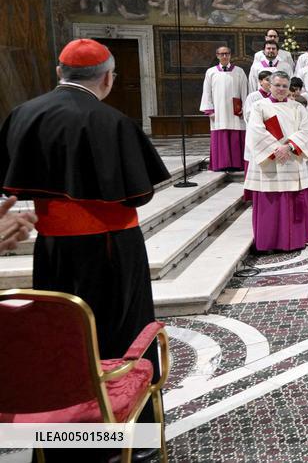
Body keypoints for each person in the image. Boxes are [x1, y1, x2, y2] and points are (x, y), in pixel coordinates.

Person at [0, 39, 172, 455]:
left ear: (60, 72)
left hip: (53, 245)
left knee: (62, 334)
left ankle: (65, 436)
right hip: (112, 248)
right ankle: (131, 439)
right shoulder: (113, 122)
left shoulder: (22, 114)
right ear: (108, 77)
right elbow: (138, 193)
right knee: (122, 332)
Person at [244, 71, 308, 252]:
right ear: (269, 86)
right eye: (277, 85)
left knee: (291, 202)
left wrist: (289, 146)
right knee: (271, 204)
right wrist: (276, 149)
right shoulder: (259, 106)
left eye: (285, 86)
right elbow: (255, 132)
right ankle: (269, 242)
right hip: (270, 163)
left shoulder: (298, 107)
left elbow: (306, 130)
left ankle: (294, 241)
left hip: (291, 158)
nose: (281, 89)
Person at [200, 44, 249, 172]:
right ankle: (221, 164)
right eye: (222, 54)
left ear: (230, 55)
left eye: (227, 53)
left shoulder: (239, 71)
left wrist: (245, 107)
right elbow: (207, 92)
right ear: (217, 56)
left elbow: (245, 90)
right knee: (220, 135)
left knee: (236, 135)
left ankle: (237, 164)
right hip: (219, 111)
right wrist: (209, 109)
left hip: (236, 111)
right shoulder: (211, 72)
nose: (224, 56)